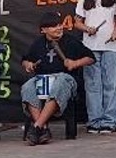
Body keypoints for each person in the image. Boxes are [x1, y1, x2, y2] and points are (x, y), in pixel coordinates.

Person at [22, 11, 95, 146]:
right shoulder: (38, 44)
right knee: (28, 86)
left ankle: (36, 127)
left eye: (60, 24)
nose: (59, 28)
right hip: (43, 79)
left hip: (65, 79)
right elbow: (26, 60)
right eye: (54, 26)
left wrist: (75, 63)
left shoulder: (70, 41)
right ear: (44, 30)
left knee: (60, 82)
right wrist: (28, 64)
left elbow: (90, 58)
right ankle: (42, 129)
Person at [75, 0, 116, 134]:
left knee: (111, 83)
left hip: (111, 46)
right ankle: (95, 120)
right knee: (93, 85)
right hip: (90, 47)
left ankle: (110, 121)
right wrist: (88, 29)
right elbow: (77, 22)